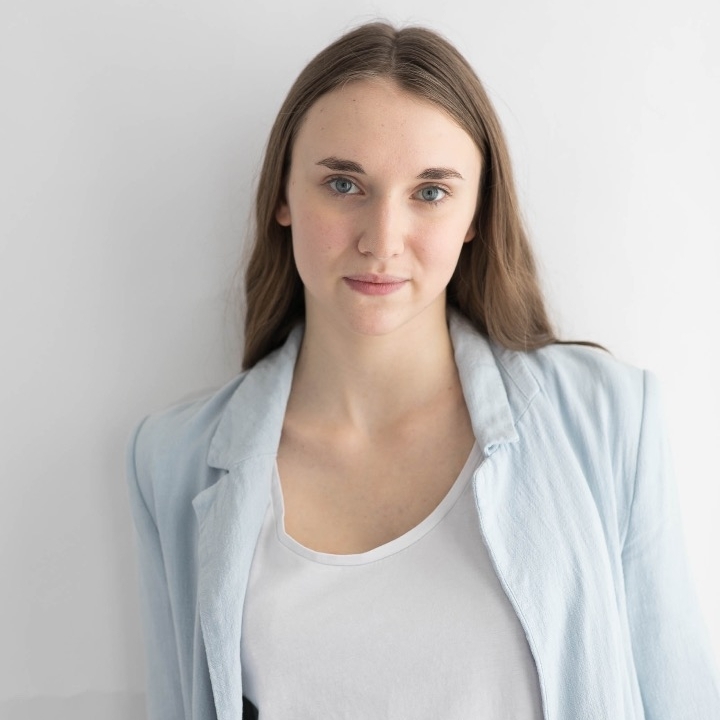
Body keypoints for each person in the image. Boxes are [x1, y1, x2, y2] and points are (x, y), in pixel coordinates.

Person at [125, 21, 720, 720]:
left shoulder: (609, 417)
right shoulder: (174, 459)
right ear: (282, 196)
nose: (382, 240)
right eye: (343, 183)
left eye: (431, 192)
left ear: (476, 214)